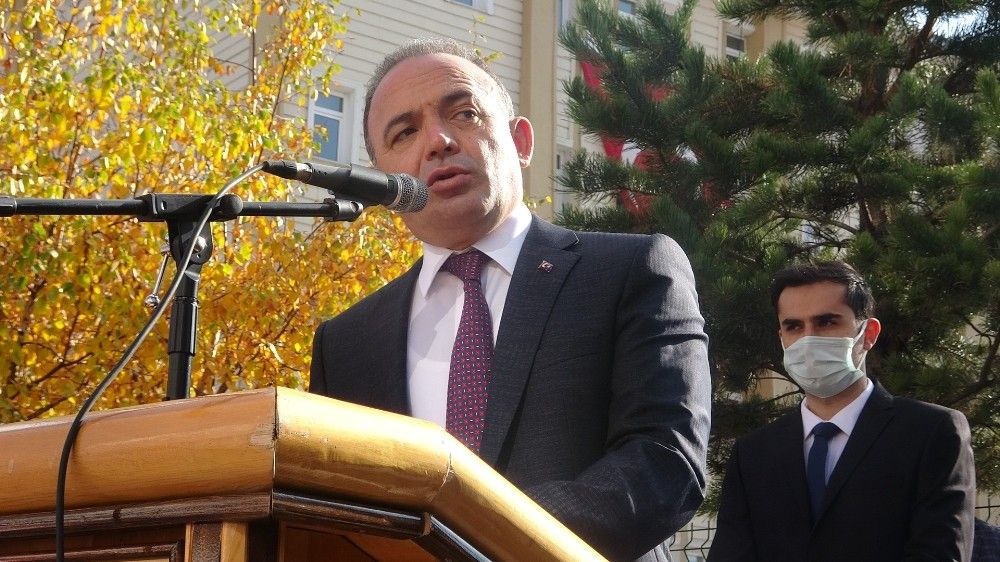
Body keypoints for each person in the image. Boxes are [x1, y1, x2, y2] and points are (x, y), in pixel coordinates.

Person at [309, 38, 711, 561]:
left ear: (520, 140)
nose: (438, 141)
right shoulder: (346, 343)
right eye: (404, 132)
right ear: (382, 182)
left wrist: (481, 541)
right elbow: (333, 510)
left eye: (464, 114)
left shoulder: (630, 270)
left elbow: (664, 461)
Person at [709, 261, 976, 561]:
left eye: (826, 322)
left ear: (869, 333)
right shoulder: (753, 454)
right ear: (781, 337)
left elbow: (940, 553)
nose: (808, 339)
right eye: (794, 326)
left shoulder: (930, 432)